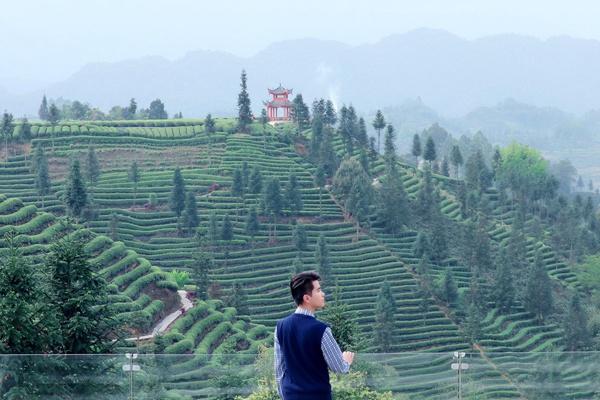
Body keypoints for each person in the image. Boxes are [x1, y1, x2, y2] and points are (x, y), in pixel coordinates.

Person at [274, 271, 354, 400]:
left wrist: (285, 395)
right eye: (318, 290)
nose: (323, 294)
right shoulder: (321, 330)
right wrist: (346, 361)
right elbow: (339, 368)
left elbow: (279, 370)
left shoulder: (280, 327)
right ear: (307, 298)